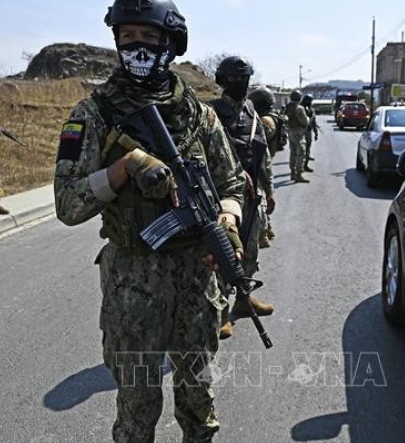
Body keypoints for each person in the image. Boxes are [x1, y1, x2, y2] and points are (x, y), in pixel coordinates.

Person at [53, 1, 247, 441]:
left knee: (198, 394)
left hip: (197, 278)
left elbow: (232, 182)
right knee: (137, 405)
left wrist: (228, 220)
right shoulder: (93, 113)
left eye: (149, 38)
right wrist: (125, 168)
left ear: (171, 44)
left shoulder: (199, 114)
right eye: (128, 38)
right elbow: (68, 204)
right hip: (134, 281)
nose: (137, 48)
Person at [208, 56, 275, 339]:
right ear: (222, 82)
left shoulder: (250, 110)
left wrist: (268, 190)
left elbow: (262, 151)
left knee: (250, 250)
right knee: (226, 253)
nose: (240, 85)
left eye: (244, 79)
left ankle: (244, 300)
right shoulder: (211, 112)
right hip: (224, 197)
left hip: (252, 195)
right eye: (234, 80)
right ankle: (220, 312)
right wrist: (234, 175)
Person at [248, 87, 285, 244]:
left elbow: (256, 139)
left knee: (260, 196)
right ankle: (267, 227)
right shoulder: (271, 116)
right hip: (264, 158)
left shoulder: (265, 120)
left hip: (261, 160)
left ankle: (262, 233)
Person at [284, 90, 310, 183]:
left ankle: (292, 173)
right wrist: (308, 119)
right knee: (301, 154)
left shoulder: (287, 107)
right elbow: (305, 122)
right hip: (299, 132)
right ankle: (298, 174)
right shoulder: (300, 108)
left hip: (290, 132)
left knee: (293, 153)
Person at [300, 94, 318, 173]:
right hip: (301, 132)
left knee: (307, 149)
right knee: (301, 150)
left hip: (308, 131)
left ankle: (305, 165)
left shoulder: (310, 109)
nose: (311, 102)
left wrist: (316, 132)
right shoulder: (300, 109)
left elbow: (313, 122)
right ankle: (300, 166)